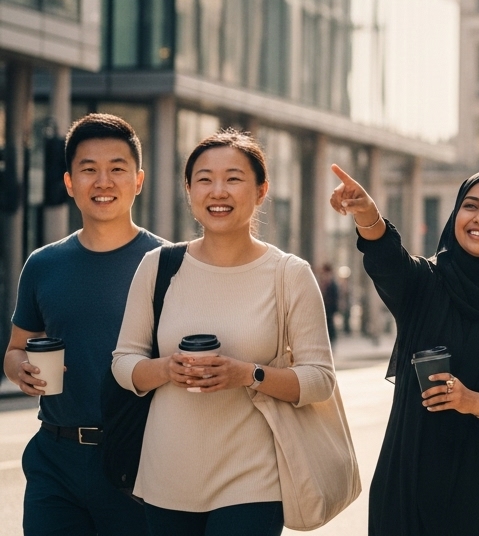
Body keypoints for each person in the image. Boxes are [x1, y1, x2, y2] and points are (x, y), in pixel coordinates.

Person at [112, 130, 336, 535]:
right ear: (189, 189)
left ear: (261, 190)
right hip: (167, 478)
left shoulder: (290, 274)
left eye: (233, 178)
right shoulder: (157, 266)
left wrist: (249, 374)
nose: (218, 191)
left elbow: (320, 381)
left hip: (254, 480)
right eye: (204, 179)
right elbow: (123, 363)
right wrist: (166, 370)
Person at [328, 165, 479, 535]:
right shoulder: (423, 285)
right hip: (409, 492)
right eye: (470, 205)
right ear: (455, 215)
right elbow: (387, 260)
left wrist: (477, 402)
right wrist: (367, 214)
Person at [4, 114, 164, 535]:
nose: (103, 181)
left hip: (139, 462)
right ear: (70, 182)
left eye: (117, 169)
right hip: (54, 462)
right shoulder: (43, 264)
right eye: (88, 170)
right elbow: (15, 348)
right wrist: (19, 367)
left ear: (138, 180)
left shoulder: (169, 265)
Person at [319, 263, 341, 347]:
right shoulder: (321, 283)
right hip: (322, 309)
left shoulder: (333, 285)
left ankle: (331, 343)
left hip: (330, 309)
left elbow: (335, 297)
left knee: (330, 326)